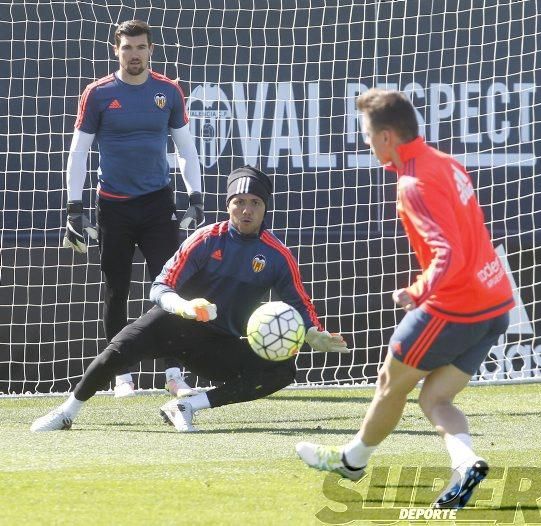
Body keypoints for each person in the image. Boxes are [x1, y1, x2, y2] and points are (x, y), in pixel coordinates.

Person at [296, 88, 514, 510]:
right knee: (434, 398)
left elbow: (448, 254)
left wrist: (415, 291)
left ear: (387, 137)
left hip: (455, 306)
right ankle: (466, 463)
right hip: (495, 303)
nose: (364, 141)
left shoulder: (413, 183)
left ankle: (352, 462)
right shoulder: (445, 162)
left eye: (366, 133)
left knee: (388, 384)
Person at [32, 165, 349, 433]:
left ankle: (187, 405)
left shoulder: (277, 256)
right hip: (171, 324)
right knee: (116, 351)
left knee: (282, 371)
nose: (247, 210)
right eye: (239, 201)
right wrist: (184, 306)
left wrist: (312, 333)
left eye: (255, 202)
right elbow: (159, 287)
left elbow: (300, 303)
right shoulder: (206, 239)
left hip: (216, 344)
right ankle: (67, 413)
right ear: (228, 205)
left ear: (265, 207)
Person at [63, 20, 204, 398]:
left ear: (151, 50)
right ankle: (120, 376)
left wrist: (196, 197)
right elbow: (78, 153)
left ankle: (174, 373)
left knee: (170, 290)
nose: (134, 54)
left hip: (158, 206)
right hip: (114, 208)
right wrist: (74, 208)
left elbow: (185, 149)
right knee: (116, 291)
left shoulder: (168, 91)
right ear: (116, 50)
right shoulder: (97, 94)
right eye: (127, 48)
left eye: (140, 47)